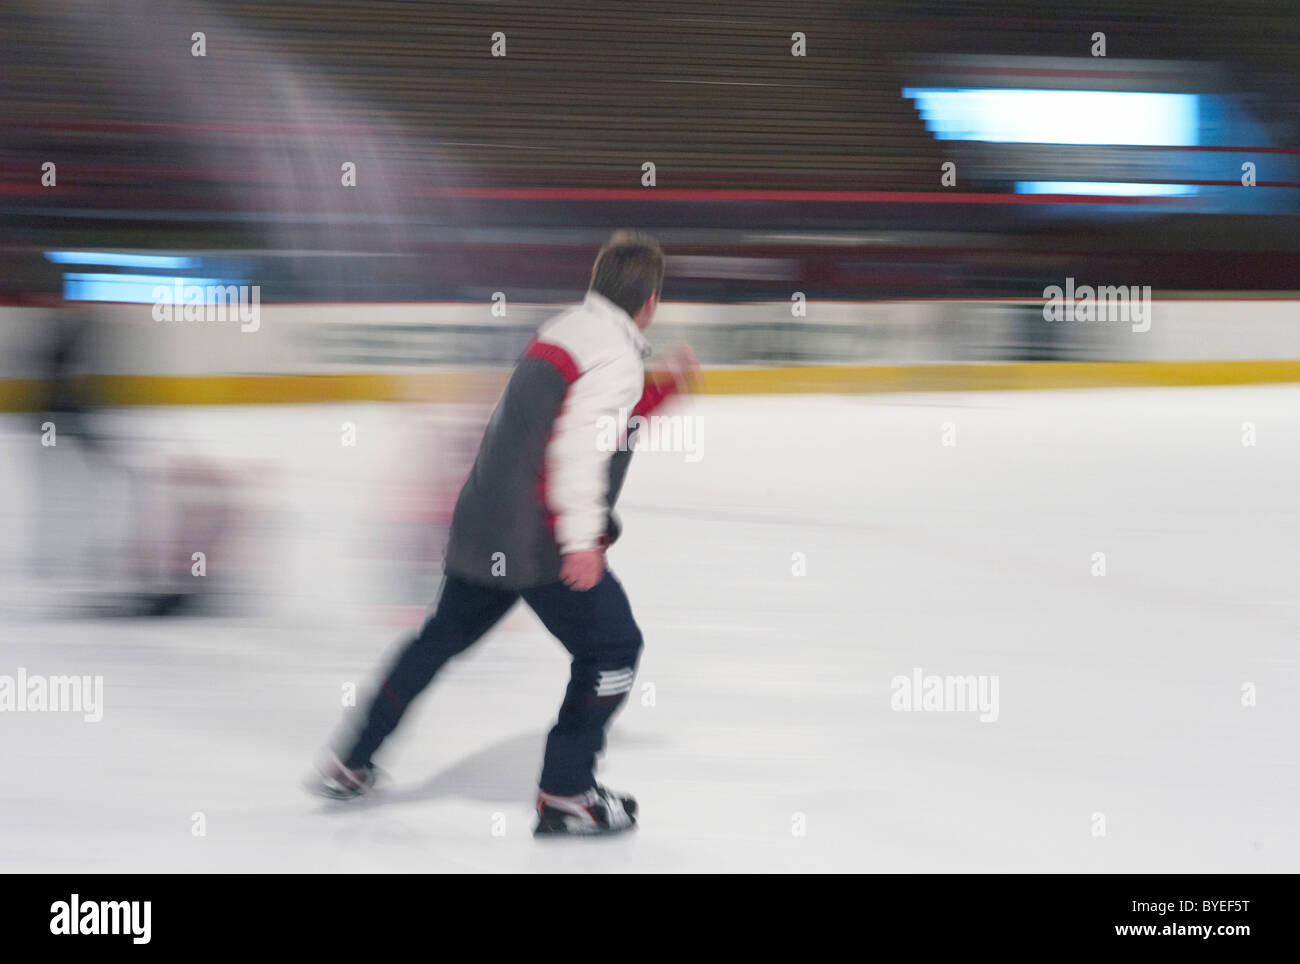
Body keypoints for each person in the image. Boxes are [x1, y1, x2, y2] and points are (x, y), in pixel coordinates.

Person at [311, 230, 697, 836]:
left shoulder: (565, 329)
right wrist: (581, 543)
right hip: (538, 539)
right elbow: (577, 450)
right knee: (613, 648)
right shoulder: (617, 355)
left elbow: (576, 419)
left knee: (438, 641)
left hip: (483, 525)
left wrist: (659, 392)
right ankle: (567, 791)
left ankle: (351, 759)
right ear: (649, 299)